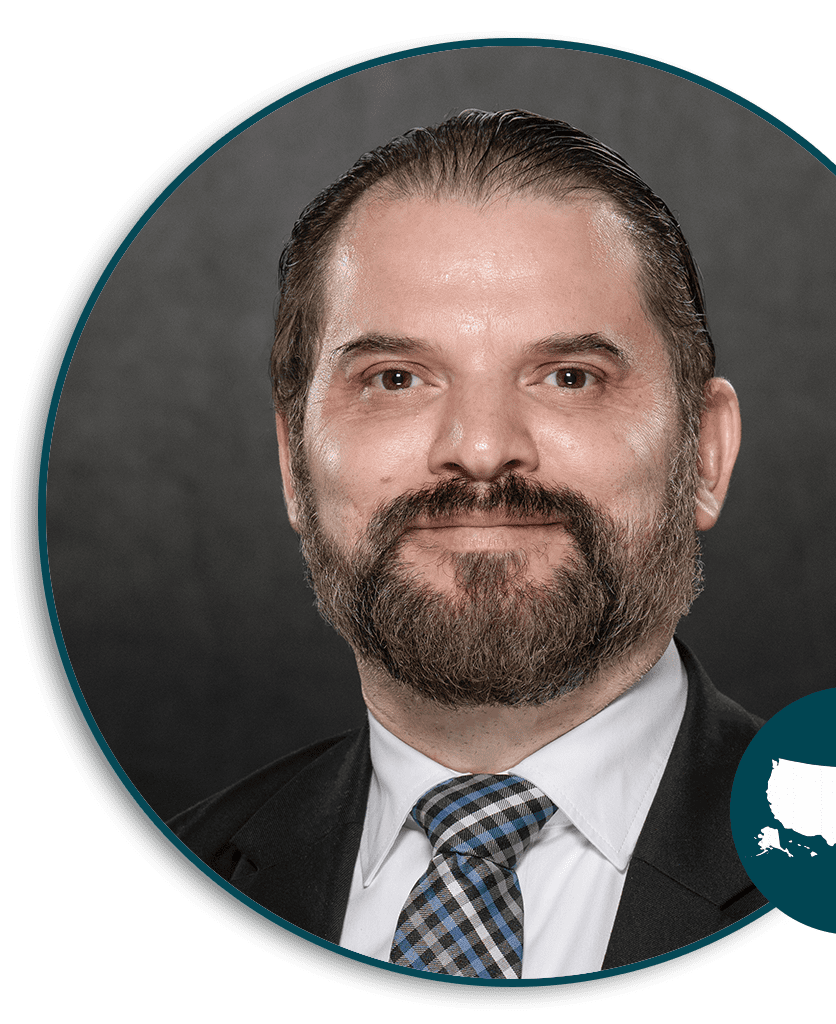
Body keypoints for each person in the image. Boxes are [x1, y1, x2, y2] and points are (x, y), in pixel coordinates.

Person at [171, 108, 763, 980]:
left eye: (570, 377)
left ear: (704, 454)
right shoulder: (168, 884)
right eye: (395, 379)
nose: (482, 448)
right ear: (295, 465)